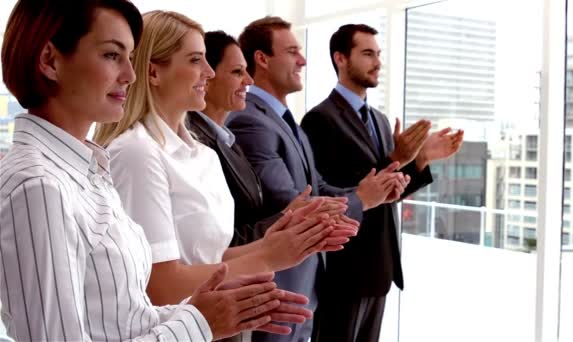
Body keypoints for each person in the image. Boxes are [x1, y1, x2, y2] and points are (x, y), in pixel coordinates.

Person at [0, 1, 302, 341]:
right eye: (112, 55)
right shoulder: (38, 185)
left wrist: (222, 309)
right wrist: (199, 324)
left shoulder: (86, 171)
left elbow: (124, 317)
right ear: (49, 61)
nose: (130, 74)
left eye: (130, 57)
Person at [93, 10, 358, 337]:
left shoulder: (202, 154)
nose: (208, 72)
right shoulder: (136, 153)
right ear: (153, 72)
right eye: (195, 60)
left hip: (219, 326)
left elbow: (211, 257)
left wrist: (275, 245)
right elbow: (160, 286)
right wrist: (267, 256)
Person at [226, 16, 409, 342]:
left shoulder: (285, 120)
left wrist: (373, 190)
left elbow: (317, 187)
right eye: (293, 51)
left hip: (310, 280)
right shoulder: (251, 121)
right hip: (279, 285)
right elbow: (290, 203)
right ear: (262, 59)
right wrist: (363, 198)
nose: (304, 59)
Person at [301, 24, 465, 341]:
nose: (377, 62)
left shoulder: (379, 119)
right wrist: (399, 156)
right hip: (344, 270)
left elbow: (389, 191)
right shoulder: (319, 120)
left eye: (379, 55)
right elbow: (333, 194)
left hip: (379, 267)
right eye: (367, 54)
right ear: (340, 59)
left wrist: (419, 160)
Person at [186, 31, 356, 246]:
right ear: (207, 78)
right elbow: (219, 243)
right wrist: (290, 215)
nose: (248, 80)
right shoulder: (200, 143)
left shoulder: (228, 140)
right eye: (238, 72)